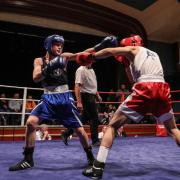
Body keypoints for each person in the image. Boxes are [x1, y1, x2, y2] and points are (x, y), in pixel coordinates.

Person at [77, 35, 180, 179]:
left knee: (112, 126)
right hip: (162, 88)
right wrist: (127, 65)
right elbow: (133, 80)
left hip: (146, 87)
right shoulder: (154, 54)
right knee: (173, 129)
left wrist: (92, 57)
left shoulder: (133, 48)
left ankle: (97, 168)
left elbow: (110, 51)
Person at [8, 34, 95, 171]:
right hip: (48, 98)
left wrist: (100, 46)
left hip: (64, 98)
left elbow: (82, 54)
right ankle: (28, 159)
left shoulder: (64, 57)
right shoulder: (39, 61)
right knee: (30, 123)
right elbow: (36, 78)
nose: (60, 46)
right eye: (56, 44)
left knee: (79, 129)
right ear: (49, 45)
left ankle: (91, 158)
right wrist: (49, 67)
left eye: (61, 44)